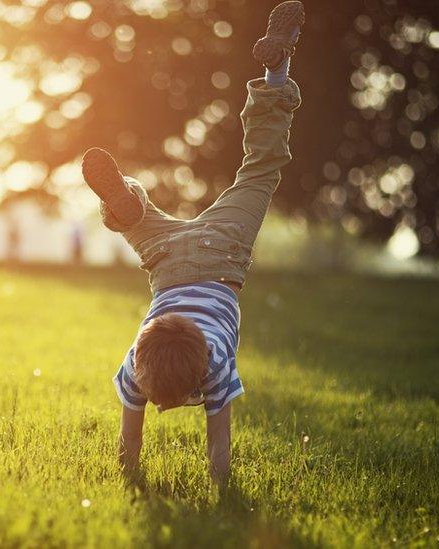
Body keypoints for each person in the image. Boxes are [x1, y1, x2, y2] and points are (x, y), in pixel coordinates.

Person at [81, 1, 304, 486]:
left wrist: (131, 479)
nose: (160, 406)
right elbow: (212, 449)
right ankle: (128, 206)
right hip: (166, 258)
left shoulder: (209, 362)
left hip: (219, 251)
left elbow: (135, 446)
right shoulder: (138, 363)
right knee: (147, 216)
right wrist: (213, 485)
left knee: (260, 171)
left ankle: (275, 73)